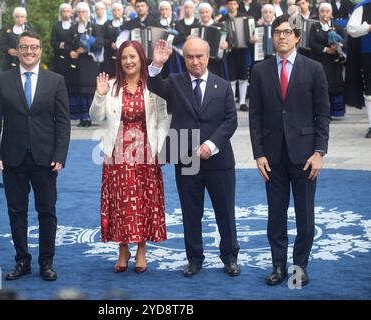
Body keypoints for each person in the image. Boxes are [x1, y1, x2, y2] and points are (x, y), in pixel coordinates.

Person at [148, 38, 241, 278]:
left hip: (219, 161)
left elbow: (231, 120)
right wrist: (156, 65)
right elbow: (154, 85)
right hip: (186, 158)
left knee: (225, 212)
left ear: (208, 57)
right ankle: (194, 259)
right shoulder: (176, 82)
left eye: (199, 56)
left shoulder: (222, 85)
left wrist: (211, 145)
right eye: (190, 56)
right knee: (191, 212)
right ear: (184, 58)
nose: (195, 61)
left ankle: (230, 257)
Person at [249, 14, 330, 286]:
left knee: (305, 214)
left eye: (286, 32)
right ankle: (278, 266)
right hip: (272, 157)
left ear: (296, 37)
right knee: (276, 214)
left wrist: (319, 152)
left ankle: (300, 267)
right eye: (276, 32)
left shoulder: (314, 68)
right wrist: (258, 153)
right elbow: (255, 116)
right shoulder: (260, 71)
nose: (281, 36)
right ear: (272, 38)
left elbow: (323, 113)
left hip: (305, 155)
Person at [0, 30, 71, 281]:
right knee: (17, 212)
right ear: (17, 50)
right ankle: (22, 261)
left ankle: (47, 263)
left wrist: (60, 155)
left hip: (46, 159)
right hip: (12, 158)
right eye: (24, 47)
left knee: (47, 212)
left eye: (34, 47)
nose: (29, 52)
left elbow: (63, 123)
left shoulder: (56, 81)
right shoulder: (2, 81)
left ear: (41, 50)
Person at [89, 40, 169, 274]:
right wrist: (100, 95)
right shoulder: (112, 86)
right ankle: (123, 248)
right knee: (121, 203)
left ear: (141, 59)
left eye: (133, 56)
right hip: (118, 154)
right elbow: (95, 117)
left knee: (144, 201)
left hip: (146, 152)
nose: (128, 61)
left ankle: (141, 249)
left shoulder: (152, 86)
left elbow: (163, 119)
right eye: (124, 58)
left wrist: (159, 147)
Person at [68, 1, 104, 127]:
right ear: (76, 14)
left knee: (89, 90)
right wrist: (71, 51)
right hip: (77, 63)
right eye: (79, 12)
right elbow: (68, 44)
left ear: (88, 13)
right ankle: (81, 117)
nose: (82, 14)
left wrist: (90, 45)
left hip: (89, 62)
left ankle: (90, 116)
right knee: (78, 90)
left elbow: (100, 42)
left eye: (84, 12)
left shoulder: (93, 27)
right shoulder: (73, 28)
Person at [309, 2, 346, 118]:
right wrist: (325, 49)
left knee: (335, 87)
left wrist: (338, 46)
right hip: (320, 61)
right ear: (319, 13)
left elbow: (345, 40)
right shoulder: (315, 27)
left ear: (331, 13)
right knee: (321, 87)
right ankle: (322, 113)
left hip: (334, 63)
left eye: (327, 11)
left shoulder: (337, 26)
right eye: (322, 11)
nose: (325, 14)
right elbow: (312, 42)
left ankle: (337, 112)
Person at [345, 0, 371, 138]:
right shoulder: (363, 6)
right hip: (369, 53)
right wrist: (368, 28)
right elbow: (351, 29)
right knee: (370, 91)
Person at [51, 3, 76, 100]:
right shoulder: (56, 26)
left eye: (68, 11)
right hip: (59, 58)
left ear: (71, 13)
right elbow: (53, 42)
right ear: (60, 13)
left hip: (71, 58)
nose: (66, 14)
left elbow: (76, 42)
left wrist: (65, 45)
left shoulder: (74, 26)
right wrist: (58, 45)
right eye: (63, 11)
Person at [0, 7, 33, 71]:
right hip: (10, 61)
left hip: (25, 61)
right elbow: (2, 45)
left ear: (25, 18)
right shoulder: (7, 29)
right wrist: (9, 50)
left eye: (22, 16)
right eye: (17, 17)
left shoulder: (30, 29)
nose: (19, 19)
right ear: (13, 18)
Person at [101, 2, 124, 76]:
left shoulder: (127, 23)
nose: (116, 12)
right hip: (109, 56)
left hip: (123, 55)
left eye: (118, 10)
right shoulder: (107, 24)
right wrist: (110, 44)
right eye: (114, 10)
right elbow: (102, 38)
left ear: (122, 11)